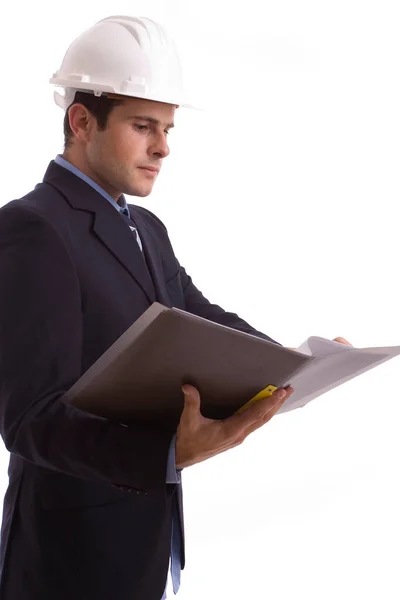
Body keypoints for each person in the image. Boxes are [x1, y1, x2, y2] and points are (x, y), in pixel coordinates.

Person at [0, 15, 348, 600]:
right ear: (81, 121)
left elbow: (196, 314)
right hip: (69, 565)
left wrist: (290, 363)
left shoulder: (144, 227)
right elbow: (30, 419)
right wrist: (165, 453)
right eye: (143, 126)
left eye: (166, 128)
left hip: (143, 552)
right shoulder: (32, 229)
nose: (163, 147)